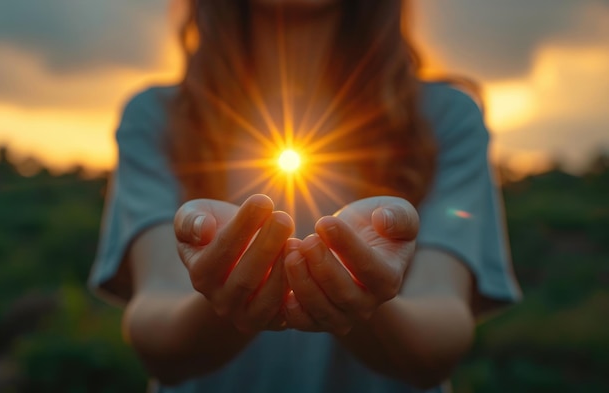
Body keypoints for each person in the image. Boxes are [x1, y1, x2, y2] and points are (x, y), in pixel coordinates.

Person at [89, 0, 522, 392]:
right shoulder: (157, 119)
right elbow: (156, 336)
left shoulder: (447, 119)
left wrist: (365, 301)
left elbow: (438, 339)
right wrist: (226, 299)